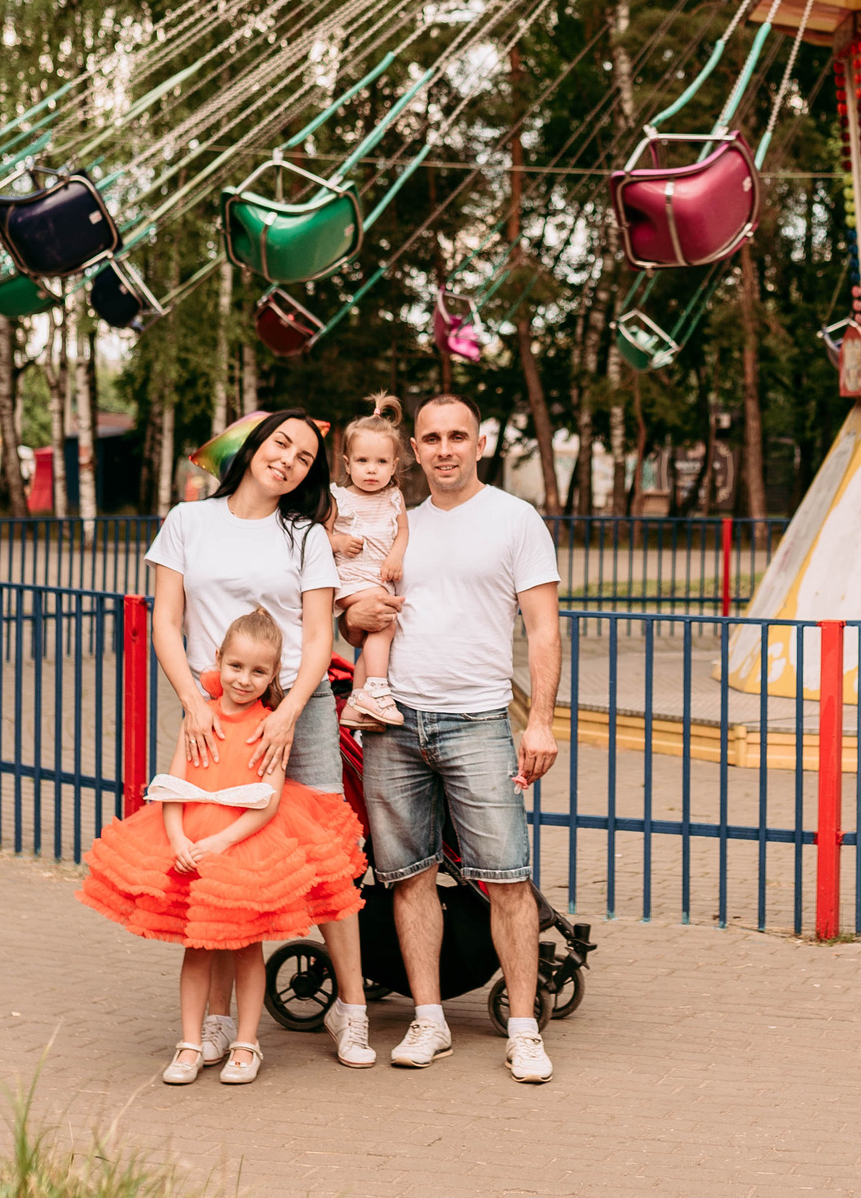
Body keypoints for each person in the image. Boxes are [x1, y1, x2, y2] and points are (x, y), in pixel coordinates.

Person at [140, 409, 379, 1069]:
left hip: (294, 712)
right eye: (282, 443)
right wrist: (192, 700)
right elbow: (167, 622)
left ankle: (351, 1009)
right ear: (252, 445)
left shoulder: (305, 534)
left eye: (305, 456)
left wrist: (291, 711)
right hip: (214, 711)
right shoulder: (189, 521)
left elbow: (315, 636)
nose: (290, 460)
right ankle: (216, 1020)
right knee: (221, 859)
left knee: (328, 854)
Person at [343, 391, 562, 1084]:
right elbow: (357, 617)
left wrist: (541, 719)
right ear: (416, 450)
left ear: (479, 443)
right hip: (395, 720)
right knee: (407, 877)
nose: (443, 449)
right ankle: (429, 1017)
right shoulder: (397, 520)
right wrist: (358, 615)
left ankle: (523, 1030)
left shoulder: (514, 520)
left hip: (478, 720)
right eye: (431, 437)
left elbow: (545, 627)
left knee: (507, 878)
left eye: (457, 436)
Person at [78, 610, 365, 1085]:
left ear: (275, 674)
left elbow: (269, 802)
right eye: (236, 667)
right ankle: (190, 1043)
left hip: (240, 842)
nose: (244, 679)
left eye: (258, 671)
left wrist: (222, 841)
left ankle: (246, 1044)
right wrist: (179, 841)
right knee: (198, 948)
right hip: (190, 838)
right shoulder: (200, 717)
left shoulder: (271, 725)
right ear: (219, 660)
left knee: (246, 947)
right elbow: (173, 786)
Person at [331, 394, 414, 730]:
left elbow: (403, 532)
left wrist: (395, 555)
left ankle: (355, 704)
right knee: (385, 623)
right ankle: (377, 689)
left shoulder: (394, 497)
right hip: (350, 578)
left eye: (381, 462)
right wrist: (337, 540)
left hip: (379, 578)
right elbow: (317, 535)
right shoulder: (338, 496)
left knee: (375, 635)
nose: (371, 469)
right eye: (363, 461)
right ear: (347, 463)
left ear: (394, 465)